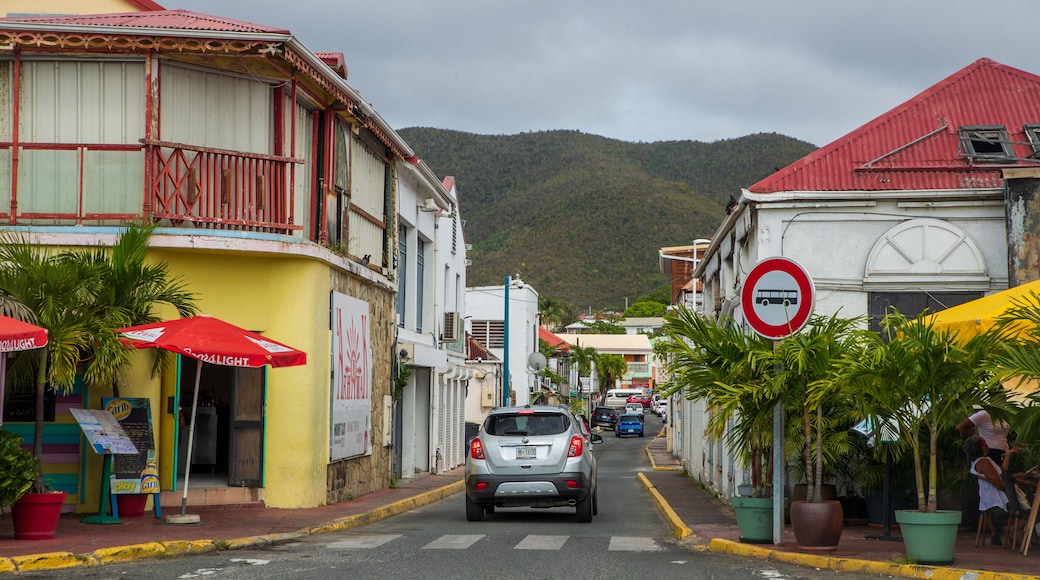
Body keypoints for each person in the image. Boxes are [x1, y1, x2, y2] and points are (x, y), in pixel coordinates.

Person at [964, 434, 1019, 546]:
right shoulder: (983, 462)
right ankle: (1009, 529)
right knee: (1032, 509)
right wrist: (1013, 480)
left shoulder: (982, 461)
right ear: (981, 447)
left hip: (986, 501)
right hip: (999, 499)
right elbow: (999, 484)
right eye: (985, 443)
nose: (987, 445)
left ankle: (1009, 533)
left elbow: (1002, 473)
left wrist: (1007, 455)